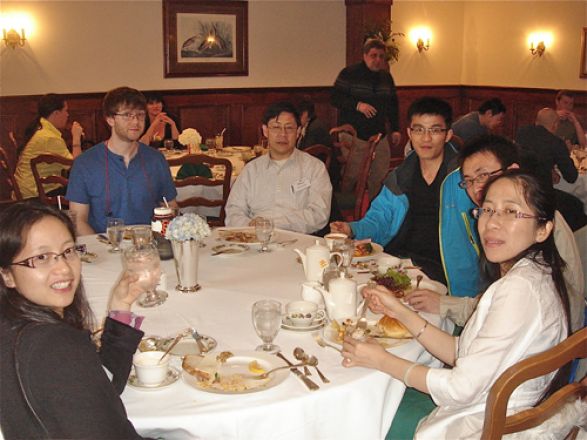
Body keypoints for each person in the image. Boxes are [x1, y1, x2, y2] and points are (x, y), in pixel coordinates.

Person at [344, 170, 571, 439]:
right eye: (487, 210)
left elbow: (460, 388)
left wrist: (381, 360)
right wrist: (398, 310)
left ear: (543, 228)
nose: (492, 223)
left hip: (487, 425)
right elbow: (466, 354)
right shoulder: (537, 273)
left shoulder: (519, 290)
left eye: (510, 212)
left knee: (360, 418)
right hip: (494, 410)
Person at [406, 134, 585, 333]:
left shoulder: (530, 222)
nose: (476, 188)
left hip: (547, 343)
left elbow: (504, 310)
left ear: (512, 171)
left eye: (483, 175)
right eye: (469, 181)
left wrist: (445, 305)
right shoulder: (497, 217)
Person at [0, 202, 146, 439]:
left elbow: (100, 384)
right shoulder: (55, 346)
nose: (64, 268)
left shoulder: (16, 327)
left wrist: (121, 308)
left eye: (68, 251)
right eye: (42, 257)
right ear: (7, 275)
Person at [331, 97, 480, 295]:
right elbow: (379, 219)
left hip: (447, 272)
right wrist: (352, 228)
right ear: (409, 133)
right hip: (400, 263)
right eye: (419, 130)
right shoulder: (400, 177)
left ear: (448, 135)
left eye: (435, 130)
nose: (426, 138)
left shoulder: (467, 177)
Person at [66, 87, 178, 235]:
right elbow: (78, 220)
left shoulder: (156, 159)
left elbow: (171, 207)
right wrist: (101, 251)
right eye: (127, 115)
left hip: (149, 247)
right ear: (110, 119)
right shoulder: (85, 164)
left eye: (140, 115)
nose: (136, 122)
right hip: (104, 248)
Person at [225, 101, 332, 234]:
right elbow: (233, 210)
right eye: (276, 127)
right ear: (265, 131)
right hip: (253, 240)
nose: (283, 134)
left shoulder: (315, 168)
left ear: (298, 131)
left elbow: (319, 214)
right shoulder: (251, 170)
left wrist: (271, 225)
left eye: (289, 128)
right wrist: (249, 225)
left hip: (298, 242)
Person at [331, 38, 401, 200]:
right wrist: (357, 105)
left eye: (381, 56)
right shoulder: (349, 73)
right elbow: (335, 97)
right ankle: (345, 208)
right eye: (373, 55)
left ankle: (373, 211)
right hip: (354, 135)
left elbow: (393, 104)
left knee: (380, 174)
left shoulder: (386, 77)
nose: (377, 60)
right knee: (352, 176)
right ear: (365, 55)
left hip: (379, 135)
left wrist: (395, 129)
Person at [516, 108, 587, 231]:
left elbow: (532, 156)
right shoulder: (555, 143)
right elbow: (571, 177)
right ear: (555, 125)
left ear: (536, 121)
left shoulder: (521, 132)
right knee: (577, 206)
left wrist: (549, 168)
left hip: (519, 185)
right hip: (541, 193)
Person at [14, 94, 84, 199]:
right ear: (56, 113)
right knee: (88, 188)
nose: (67, 115)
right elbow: (77, 167)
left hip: (26, 190)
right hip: (36, 193)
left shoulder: (40, 128)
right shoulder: (49, 137)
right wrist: (76, 138)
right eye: (65, 111)